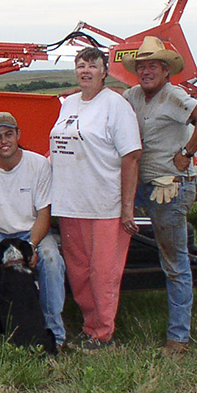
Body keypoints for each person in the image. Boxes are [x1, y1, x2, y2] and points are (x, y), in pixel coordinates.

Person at [50, 47, 141, 351]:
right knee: (78, 271)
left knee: (103, 273)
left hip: (103, 205)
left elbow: (131, 157)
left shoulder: (116, 106)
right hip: (69, 203)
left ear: (105, 71)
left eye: (93, 65)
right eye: (81, 65)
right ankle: (90, 325)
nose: (86, 70)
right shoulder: (69, 104)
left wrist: (127, 208)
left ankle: (103, 334)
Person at [0, 111, 66, 351]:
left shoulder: (38, 164)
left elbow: (44, 214)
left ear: (18, 135)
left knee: (51, 261)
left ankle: (54, 333)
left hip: (31, 234)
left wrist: (33, 246)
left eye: (9, 134)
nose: (3, 141)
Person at [122, 36, 197, 356]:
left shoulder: (175, 96)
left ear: (166, 70)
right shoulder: (132, 96)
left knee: (174, 263)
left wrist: (187, 152)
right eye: (141, 66)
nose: (146, 71)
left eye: (153, 65)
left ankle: (178, 338)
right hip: (138, 183)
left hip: (170, 187)